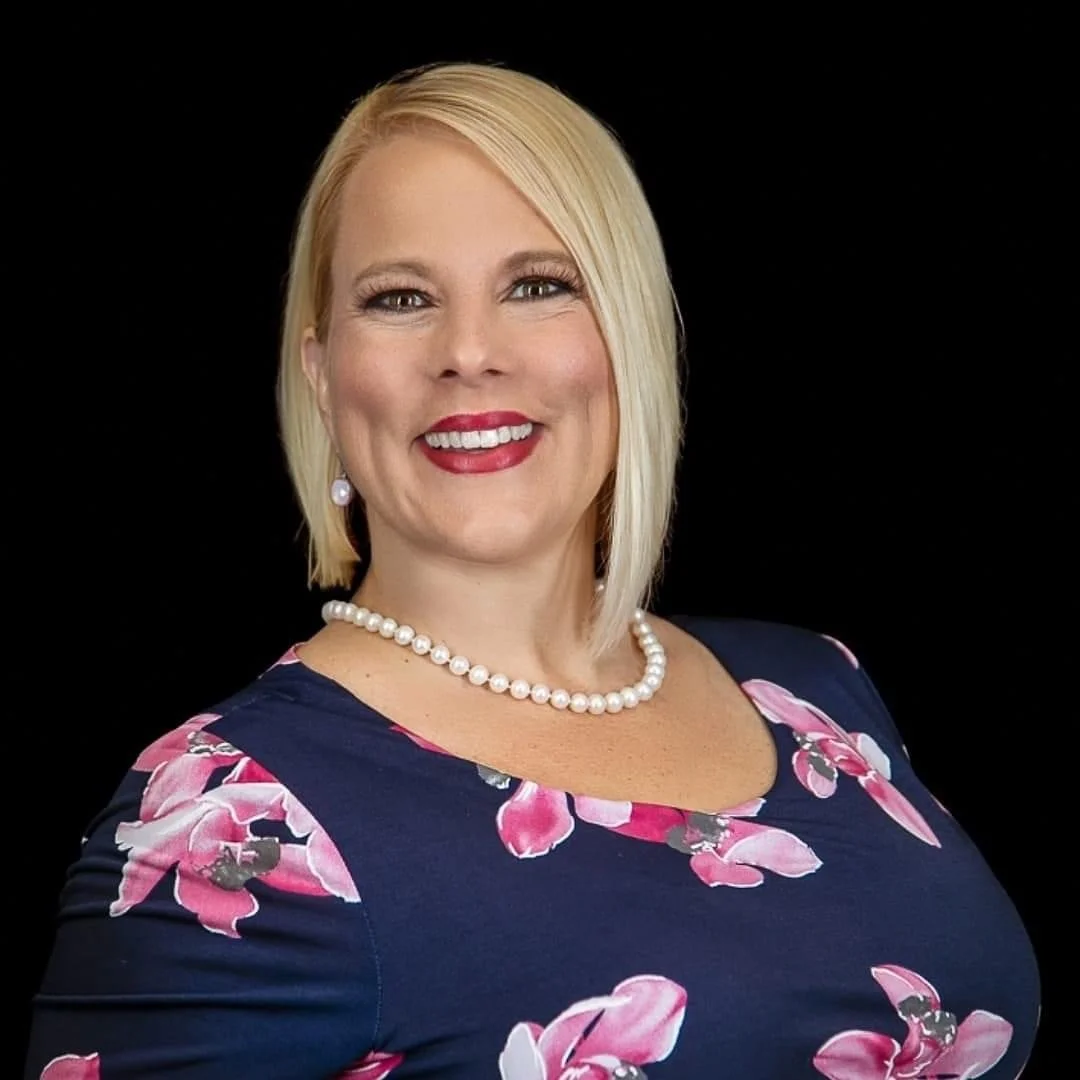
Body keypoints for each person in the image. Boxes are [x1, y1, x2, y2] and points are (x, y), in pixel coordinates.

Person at [27, 63, 1039, 1079]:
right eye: (401, 298)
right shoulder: (230, 818)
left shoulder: (816, 690)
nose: (469, 350)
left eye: (540, 286)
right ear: (324, 374)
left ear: (626, 336)